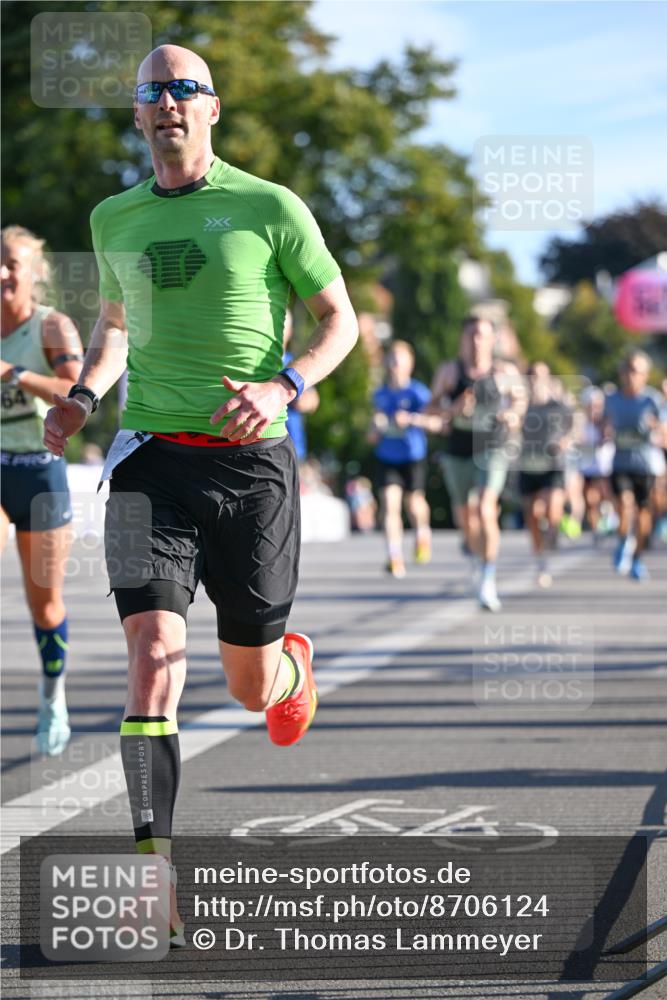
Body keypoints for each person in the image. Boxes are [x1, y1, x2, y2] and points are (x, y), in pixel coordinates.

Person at [43, 45, 358, 945]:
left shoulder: (267, 206)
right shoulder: (114, 216)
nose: (170, 103)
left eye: (186, 89)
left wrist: (285, 387)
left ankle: (289, 665)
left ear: (212, 109)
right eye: (153, 93)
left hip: (251, 465)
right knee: (150, 661)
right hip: (150, 462)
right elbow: (113, 328)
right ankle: (155, 878)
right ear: (139, 117)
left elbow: (342, 319)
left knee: (247, 686)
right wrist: (81, 400)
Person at [1, 225, 83, 755]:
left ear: (35, 273)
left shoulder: (51, 325)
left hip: (39, 470)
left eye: (12, 263)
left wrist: (15, 375)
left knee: (45, 605)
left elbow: (76, 392)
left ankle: (53, 694)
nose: (3, 273)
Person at [429, 316, 525, 611]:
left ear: (492, 340)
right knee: (465, 516)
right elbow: (430, 409)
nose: (476, 341)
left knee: (485, 508)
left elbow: (520, 402)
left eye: (482, 335)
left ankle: (487, 576)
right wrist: (453, 409)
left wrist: (512, 416)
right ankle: (473, 550)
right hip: (458, 448)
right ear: (462, 338)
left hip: (491, 446)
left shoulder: (503, 371)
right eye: (471, 334)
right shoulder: (449, 371)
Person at [369, 340, 435, 578]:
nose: (395, 363)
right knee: (389, 502)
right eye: (392, 358)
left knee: (414, 504)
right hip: (387, 456)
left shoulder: (418, 392)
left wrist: (411, 420)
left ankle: (422, 534)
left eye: (400, 358)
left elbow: (436, 422)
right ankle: (394, 556)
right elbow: (371, 435)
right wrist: (376, 428)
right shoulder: (380, 394)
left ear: (410, 363)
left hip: (412, 455)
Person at [604, 350, 664, 580]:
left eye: (636, 372)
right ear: (621, 373)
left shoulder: (652, 400)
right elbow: (602, 426)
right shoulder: (612, 399)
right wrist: (605, 430)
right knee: (625, 504)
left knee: (643, 515)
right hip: (620, 463)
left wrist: (656, 429)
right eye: (628, 371)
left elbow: (665, 432)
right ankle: (622, 541)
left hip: (645, 465)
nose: (631, 376)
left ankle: (637, 558)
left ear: (645, 375)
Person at [518, 363, 573, 587]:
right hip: (528, 465)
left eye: (539, 376)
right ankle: (541, 560)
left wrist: (564, 442)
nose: (535, 380)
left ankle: (554, 532)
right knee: (531, 515)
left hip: (553, 465)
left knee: (551, 511)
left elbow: (572, 430)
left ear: (548, 378)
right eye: (531, 376)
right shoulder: (522, 407)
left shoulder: (558, 407)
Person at [283, 309, 320, 462]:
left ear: (290, 331)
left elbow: (313, 400)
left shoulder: (295, 363)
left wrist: (300, 400)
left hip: (292, 450)